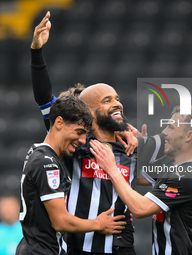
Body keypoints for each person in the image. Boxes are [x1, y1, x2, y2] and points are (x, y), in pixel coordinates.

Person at [30, 12, 138, 254]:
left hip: (121, 247)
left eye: (118, 99)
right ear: (87, 113)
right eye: (107, 100)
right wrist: (37, 52)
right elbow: (45, 99)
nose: (118, 104)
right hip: (79, 247)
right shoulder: (76, 144)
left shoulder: (133, 146)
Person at [90, 105, 192, 255]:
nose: (164, 132)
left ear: (188, 136)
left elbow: (141, 209)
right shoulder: (172, 163)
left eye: (171, 128)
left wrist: (111, 168)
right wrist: (141, 151)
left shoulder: (188, 175)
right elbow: (136, 177)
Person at [15, 96, 126, 255]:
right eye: (79, 132)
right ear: (59, 123)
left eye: (85, 134)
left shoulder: (40, 152)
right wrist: (98, 224)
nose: (82, 140)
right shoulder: (47, 163)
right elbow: (60, 221)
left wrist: (124, 132)